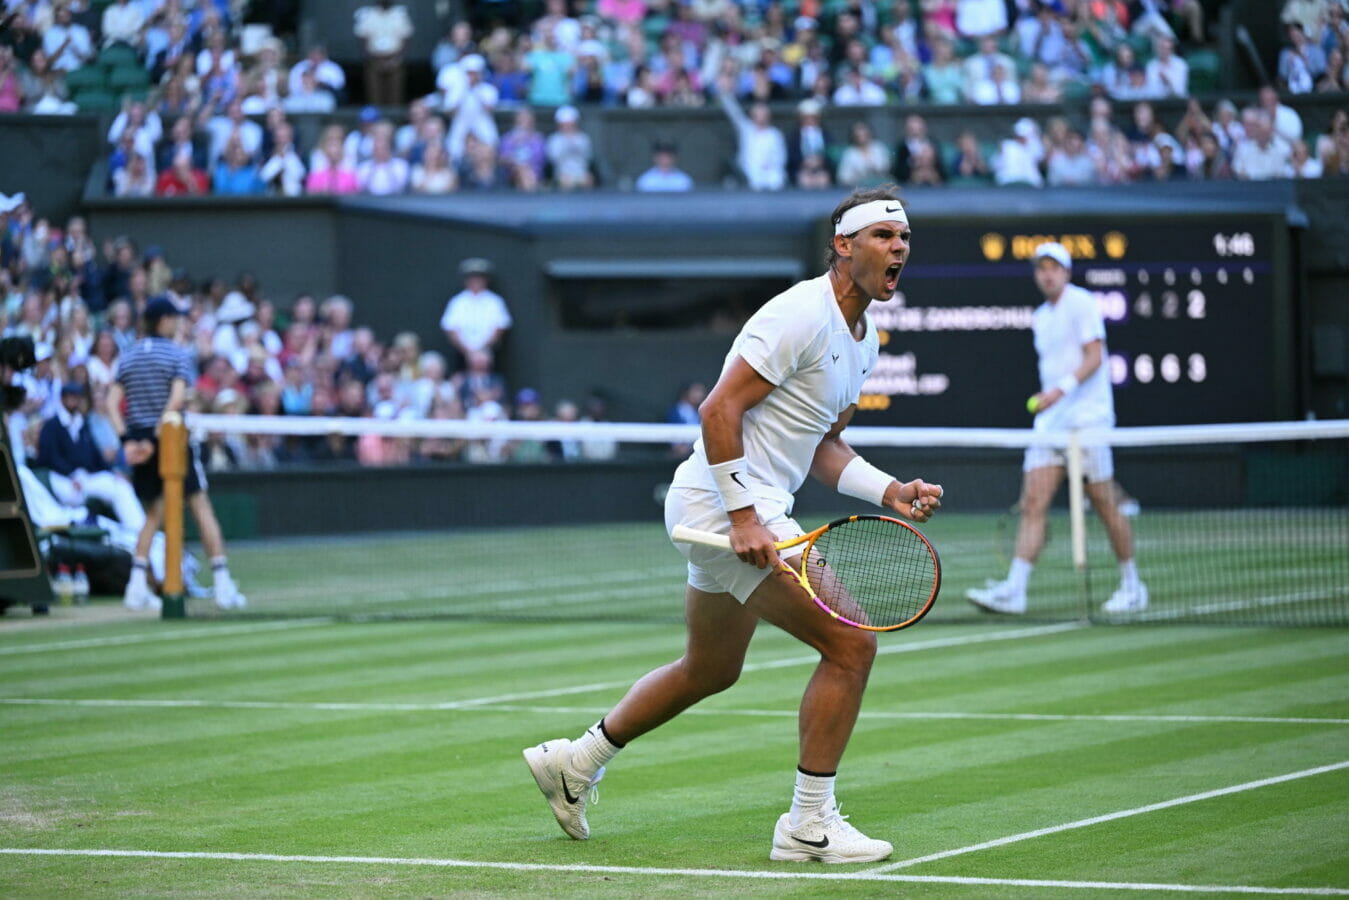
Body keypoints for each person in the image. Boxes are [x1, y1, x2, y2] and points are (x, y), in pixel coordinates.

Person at [523, 187, 944, 863]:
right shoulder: (798, 314)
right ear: (843, 246)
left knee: (710, 667)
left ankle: (576, 762)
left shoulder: (863, 341)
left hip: (737, 506)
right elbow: (718, 410)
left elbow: (824, 445)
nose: (899, 248)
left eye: (904, 238)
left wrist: (888, 489)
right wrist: (745, 517)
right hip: (724, 507)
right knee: (851, 646)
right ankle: (808, 823)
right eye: (883, 235)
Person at [967, 242, 1147, 617]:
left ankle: (1132, 586)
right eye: (1041, 268)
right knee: (1033, 503)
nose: (1047, 274)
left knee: (1105, 504)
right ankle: (1015, 591)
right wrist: (1053, 400)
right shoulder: (1041, 317)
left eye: (1054, 268)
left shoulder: (1081, 303)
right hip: (1051, 424)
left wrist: (1058, 391)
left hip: (1087, 421)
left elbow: (1095, 357)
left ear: (1066, 272)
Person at [105, 296, 247, 613]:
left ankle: (136, 587)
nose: (180, 323)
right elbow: (176, 400)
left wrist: (130, 440)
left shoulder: (127, 356)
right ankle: (223, 584)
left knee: (152, 516)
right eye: (175, 317)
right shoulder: (177, 354)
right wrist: (158, 438)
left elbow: (111, 403)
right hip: (171, 438)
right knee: (200, 506)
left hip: (141, 441)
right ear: (163, 321)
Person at [439, 258, 511, 365]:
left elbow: (500, 327)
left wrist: (482, 350)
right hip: (462, 356)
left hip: (489, 355)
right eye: (472, 278)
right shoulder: (458, 301)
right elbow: (450, 328)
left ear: (486, 280)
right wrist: (468, 352)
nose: (476, 282)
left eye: (479, 278)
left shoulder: (495, 301)